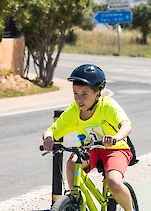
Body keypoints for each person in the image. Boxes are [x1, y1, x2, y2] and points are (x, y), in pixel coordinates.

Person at [42, 64, 134, 210]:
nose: (79, 99)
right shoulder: (74, 111)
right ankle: (75, 201)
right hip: (90, 150)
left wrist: (115, 137)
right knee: (72, 162)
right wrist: (48, 138)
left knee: (113, 182)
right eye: (75, 94)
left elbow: (126, 126)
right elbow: (52, 130)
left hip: (115, 149)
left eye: (84, 94)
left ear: (98, 93)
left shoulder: (107, 106)